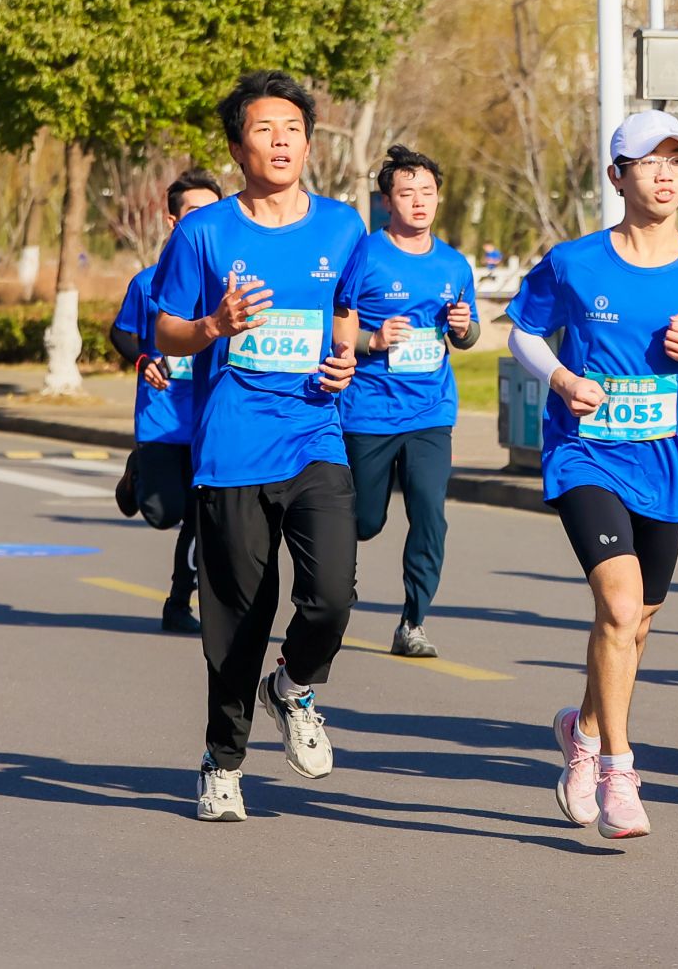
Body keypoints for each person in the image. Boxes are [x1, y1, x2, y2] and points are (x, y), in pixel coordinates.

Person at [506, 110, 678, 840]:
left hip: (664, 466)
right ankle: (618, 771)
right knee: (618, 608)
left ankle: (581, 732)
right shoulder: (574, 263)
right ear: (618, 176)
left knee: (636, 624)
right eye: (650, 162)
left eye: (677, 160)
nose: (666, 174)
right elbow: (523, 331)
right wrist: (559, 379)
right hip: (585, 455)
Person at [152, 71, 366, 823]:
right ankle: (223, 761)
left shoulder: (342, 227)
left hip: (315, 434)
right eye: (264, 130)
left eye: (293, 129)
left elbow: (345, 308)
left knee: (332, 595)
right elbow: (165, 329)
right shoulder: (204, 233)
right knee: (239, 622)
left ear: (308, 143)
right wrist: (215, 325)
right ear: (239, 147)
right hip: (233, 448)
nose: (281, 142)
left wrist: (345, 356)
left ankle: (293, 686)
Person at [338, 144, 479, 659]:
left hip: (430, 411)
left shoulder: (454, 264)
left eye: (427, 192)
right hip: (369, 409)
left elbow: (467, 334)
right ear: (387, 202)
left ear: (438, 198)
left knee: (429, 514)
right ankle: (336, 582)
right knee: (364, 520)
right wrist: (372, 340)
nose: (419, 201)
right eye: (406, 193)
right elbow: (336, 324)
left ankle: (412, 622)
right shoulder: (365, 255)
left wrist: (463, 329)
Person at [110, 169, 223, 634]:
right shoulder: (148, 282)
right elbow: (121, 333)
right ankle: (139, 471)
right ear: (174, 221)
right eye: (195, 212)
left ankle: (179, 603)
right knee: (164, 514)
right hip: (161, 420)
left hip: (212, 420)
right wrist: (143, 360)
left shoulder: (230, 282)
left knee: (201, 519)